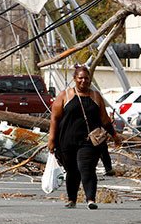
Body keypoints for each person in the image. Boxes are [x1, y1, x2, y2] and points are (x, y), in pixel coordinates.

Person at [48, 65, 122, 210]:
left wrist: (114, 135)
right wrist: (51, 139)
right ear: (74, 79)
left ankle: (90, 199)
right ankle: (72, 199)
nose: (83, 81)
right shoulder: (65, 96)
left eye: (86, 78)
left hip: (89, 141)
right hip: (66, 141)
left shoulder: (95, 96)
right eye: (80, 78)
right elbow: (54, 119)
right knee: (72, 171)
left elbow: (105, 119)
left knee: (86, 168)